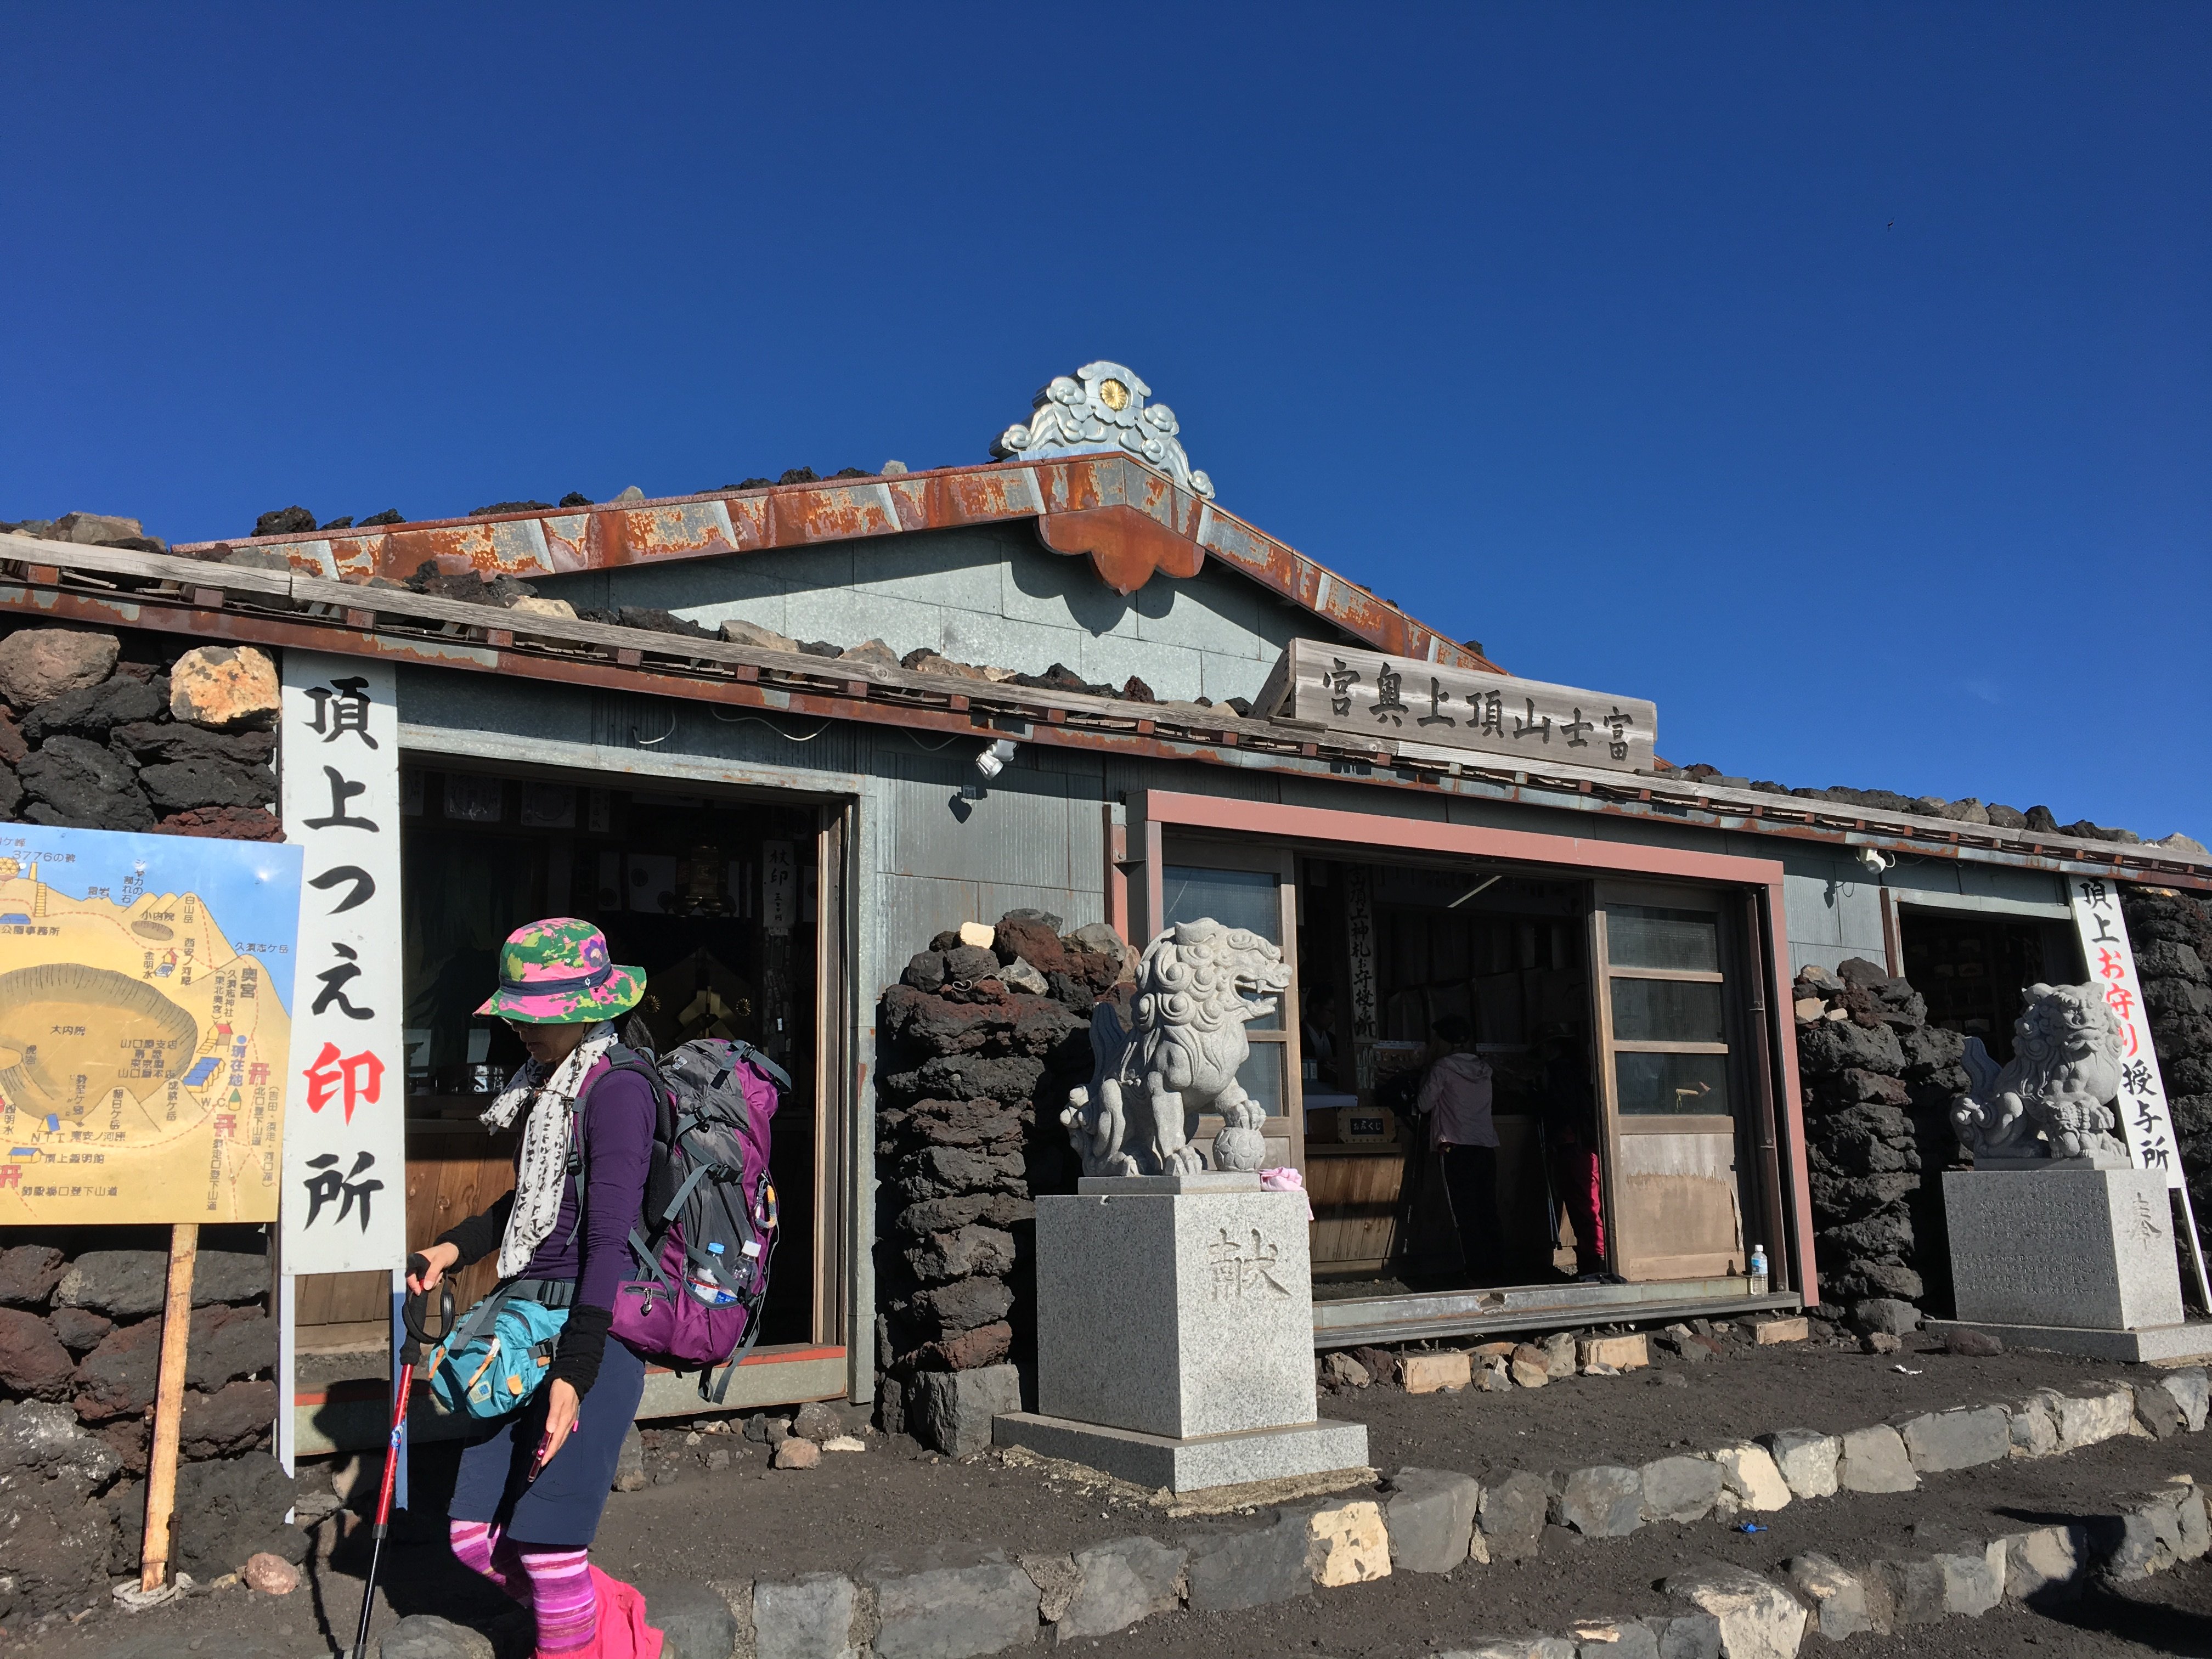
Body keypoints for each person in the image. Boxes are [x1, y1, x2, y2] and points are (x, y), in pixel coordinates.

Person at [406, 919, 665, 1659]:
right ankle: (603, 1616)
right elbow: (530, 1210)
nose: (520, 1025)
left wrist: (576, 1376)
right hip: (523, 1328)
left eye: (537, 1015)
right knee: (470, 1537)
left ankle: (583, 1631)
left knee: (551, 1554)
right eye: (517, 1010)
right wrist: (450, 1248)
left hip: (592, 1335)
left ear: (588, 1010)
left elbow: (607, 1240)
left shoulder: (618, 1092)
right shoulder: (547, 1089)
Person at [1417, 1014, 1501, 1280]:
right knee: (1487, 1208)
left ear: (1442, 1041)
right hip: (1486, 1145)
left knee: (1465, 1213)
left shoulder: (1442, 1068)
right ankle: (1498, 1265)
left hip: (1456, 1146)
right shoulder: (1484, 1069)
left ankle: (1476, 1270)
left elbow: (1423, 1104)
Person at [1538, 1024, 1610, 1281]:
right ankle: (1592, 1261)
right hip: (1582, 1144)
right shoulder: (1581, 1068)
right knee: (1586, 1205)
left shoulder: (1560, 1072)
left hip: (1574, 1145)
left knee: (1586, 1206)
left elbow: (1561, 1109)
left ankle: (1595, 1262)